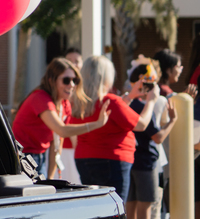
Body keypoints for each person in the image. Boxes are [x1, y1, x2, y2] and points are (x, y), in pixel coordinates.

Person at [70, 55, 157, 203]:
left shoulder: (78, 102)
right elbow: (141, 124)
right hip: (112, 159)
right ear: (105, 77)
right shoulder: (111, 101)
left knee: (93, 208)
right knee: (114, 208)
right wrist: (151, 101)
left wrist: (129, 97)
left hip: (84, 159)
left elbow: (111, 114)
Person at [12, 57, 108, 179]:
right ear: (52, 80)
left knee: (44, 193)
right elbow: (62, 130)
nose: (72, 85)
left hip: (40, 155)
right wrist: (96, 124)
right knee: (31, 196)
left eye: (75, 80)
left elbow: (57, 143)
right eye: (66, 80)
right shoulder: (40, 98)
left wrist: (51, 178)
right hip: (21, 156)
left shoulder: (64, 103)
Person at [126, 61, 177, 219]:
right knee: (145, 210)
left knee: (130, 209)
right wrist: (173, 120)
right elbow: (158, 137)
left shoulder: (127, 104)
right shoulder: (144, 108)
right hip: (146, 163)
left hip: (129, 162)